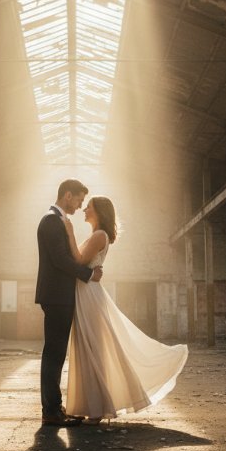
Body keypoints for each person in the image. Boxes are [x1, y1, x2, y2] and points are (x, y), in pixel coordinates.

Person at [63, 196, 188, 424]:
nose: (84, 210)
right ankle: (90, 405)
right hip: (86, 293)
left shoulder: (99, 236)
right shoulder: (97, 235)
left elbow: (79, 260)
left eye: (88, 207)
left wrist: (69, 234)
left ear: (98, 211)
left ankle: (97, 408)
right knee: (87, 348)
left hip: (89, 295)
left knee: (93, 349)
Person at [35, 178, 103, 427]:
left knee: (56, 353)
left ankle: (53, 408)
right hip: (56, 296)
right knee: (54, 353)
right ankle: (51, 412)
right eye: (79, 199)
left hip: (58, 295)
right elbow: (61, 260)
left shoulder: (58, 220)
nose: (80, 204)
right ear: (67, 196)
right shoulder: (52, 221)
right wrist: (88, 275)